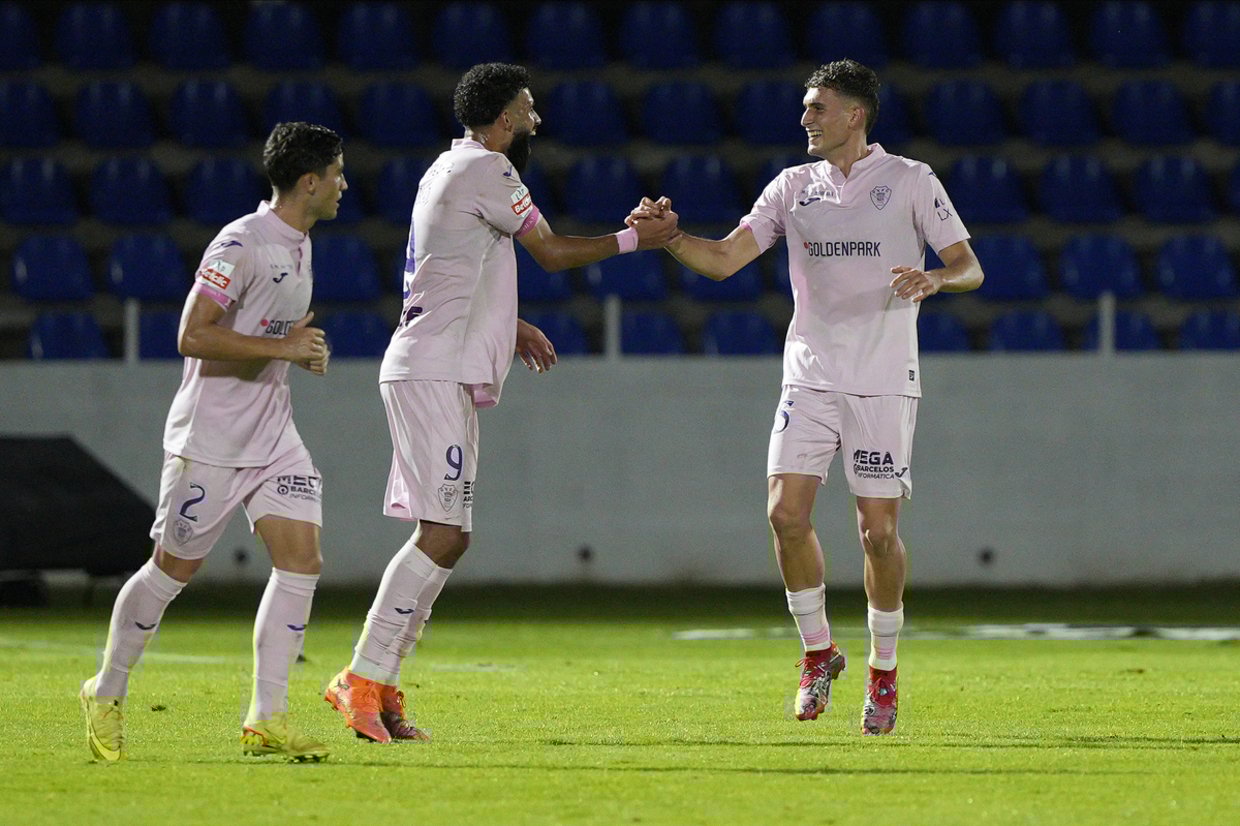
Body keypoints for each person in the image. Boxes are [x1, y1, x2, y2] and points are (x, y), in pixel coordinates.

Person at [323, 62, 679, 744]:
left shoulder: (449, 169)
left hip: (436, 365)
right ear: (505, 117)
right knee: (442, 533)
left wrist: (506, 324)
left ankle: (384, 686)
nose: (537, 119)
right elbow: (549, 252)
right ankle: (361, 678)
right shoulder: (489, 169)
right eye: (528, 107)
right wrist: (641, 239)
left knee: (449, 535)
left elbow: (454, 267)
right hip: (431, 370)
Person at [629, 59, 984, 735]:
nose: (805, 119)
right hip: (810, 375)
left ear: (854, 114)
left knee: (877, 533)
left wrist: (936, 280)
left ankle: (884, 672)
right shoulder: (793, 187)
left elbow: (970, 265)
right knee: (785, 515)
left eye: (817, 107)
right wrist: (671, 238)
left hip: (882, 377)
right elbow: (727, 258)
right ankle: (819, 654)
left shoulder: (911, 180)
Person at [79, 122, 347, 763]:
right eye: (337, 173)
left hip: (273, 433)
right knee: (172, 571)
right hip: (212, 439)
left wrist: (297, 351)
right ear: (309, 181)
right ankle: (106, 689)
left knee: (301, 561)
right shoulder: (240, 242)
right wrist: (282, 347)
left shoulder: (301, 243)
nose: (344, 184)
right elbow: (191, 334)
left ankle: (266, 716)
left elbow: (273, 329)